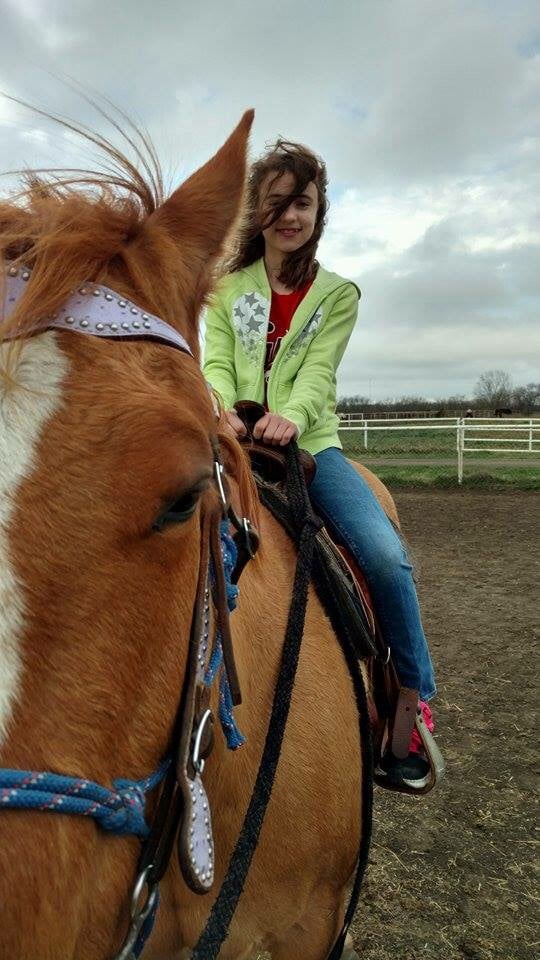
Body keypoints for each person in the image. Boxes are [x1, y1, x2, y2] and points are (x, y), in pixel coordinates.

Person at [203, 139, 437, 790]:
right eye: (275, 202)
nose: (288, 215)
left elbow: (317, 373)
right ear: (256, 211)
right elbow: (216, 360)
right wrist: (222, 407)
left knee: (385, 557)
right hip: (233, 431)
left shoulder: (336, 294)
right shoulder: (229, 290)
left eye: (300, 202)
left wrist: (294, 419)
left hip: (310, 443)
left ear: (317, 211)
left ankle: (410, 708)